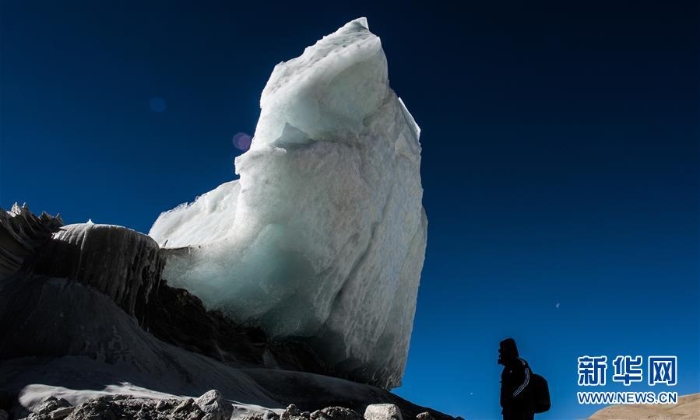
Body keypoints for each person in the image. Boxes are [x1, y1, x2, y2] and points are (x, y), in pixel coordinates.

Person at [499, 338, 535, 420]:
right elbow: (504, 389)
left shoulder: (521, 363)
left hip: (523, 407)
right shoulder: (505, 370)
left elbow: (526, 381)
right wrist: (505, 403)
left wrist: (513, 395)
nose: (500, 354)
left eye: (502, 351)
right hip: (508, 410)